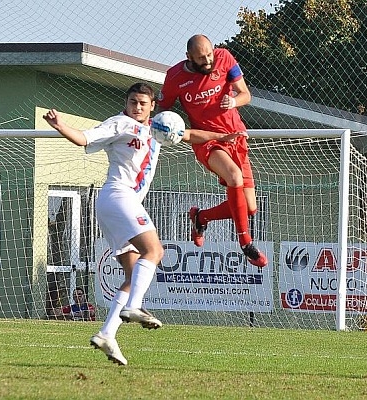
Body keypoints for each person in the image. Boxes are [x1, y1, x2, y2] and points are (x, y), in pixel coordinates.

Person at [43, 82, 238, 366]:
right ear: (126, 103)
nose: (136, 107)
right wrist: (60, 125)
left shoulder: (158, 128)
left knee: (133, 274)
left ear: (152, 107)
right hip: (118, 196)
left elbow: (190, 134)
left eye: (142, 104)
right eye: (133, 102)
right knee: (154, 251)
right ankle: (135, 306)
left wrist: (222, 136)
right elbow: (84, 139)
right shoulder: (120, 123)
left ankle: (107, 334)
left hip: (117, 204)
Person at [157, 34, 268, 268]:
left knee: (249, 208)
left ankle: (201, 217)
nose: (207, 61)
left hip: (236, 137)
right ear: (188, 57)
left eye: (209, 54)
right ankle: (246, 243)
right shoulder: (175, 77)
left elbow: (245, 94)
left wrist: (234, 101)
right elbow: (162, 110)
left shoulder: (224, 58)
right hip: (207, 140)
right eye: (201, 58)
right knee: (234, 176)